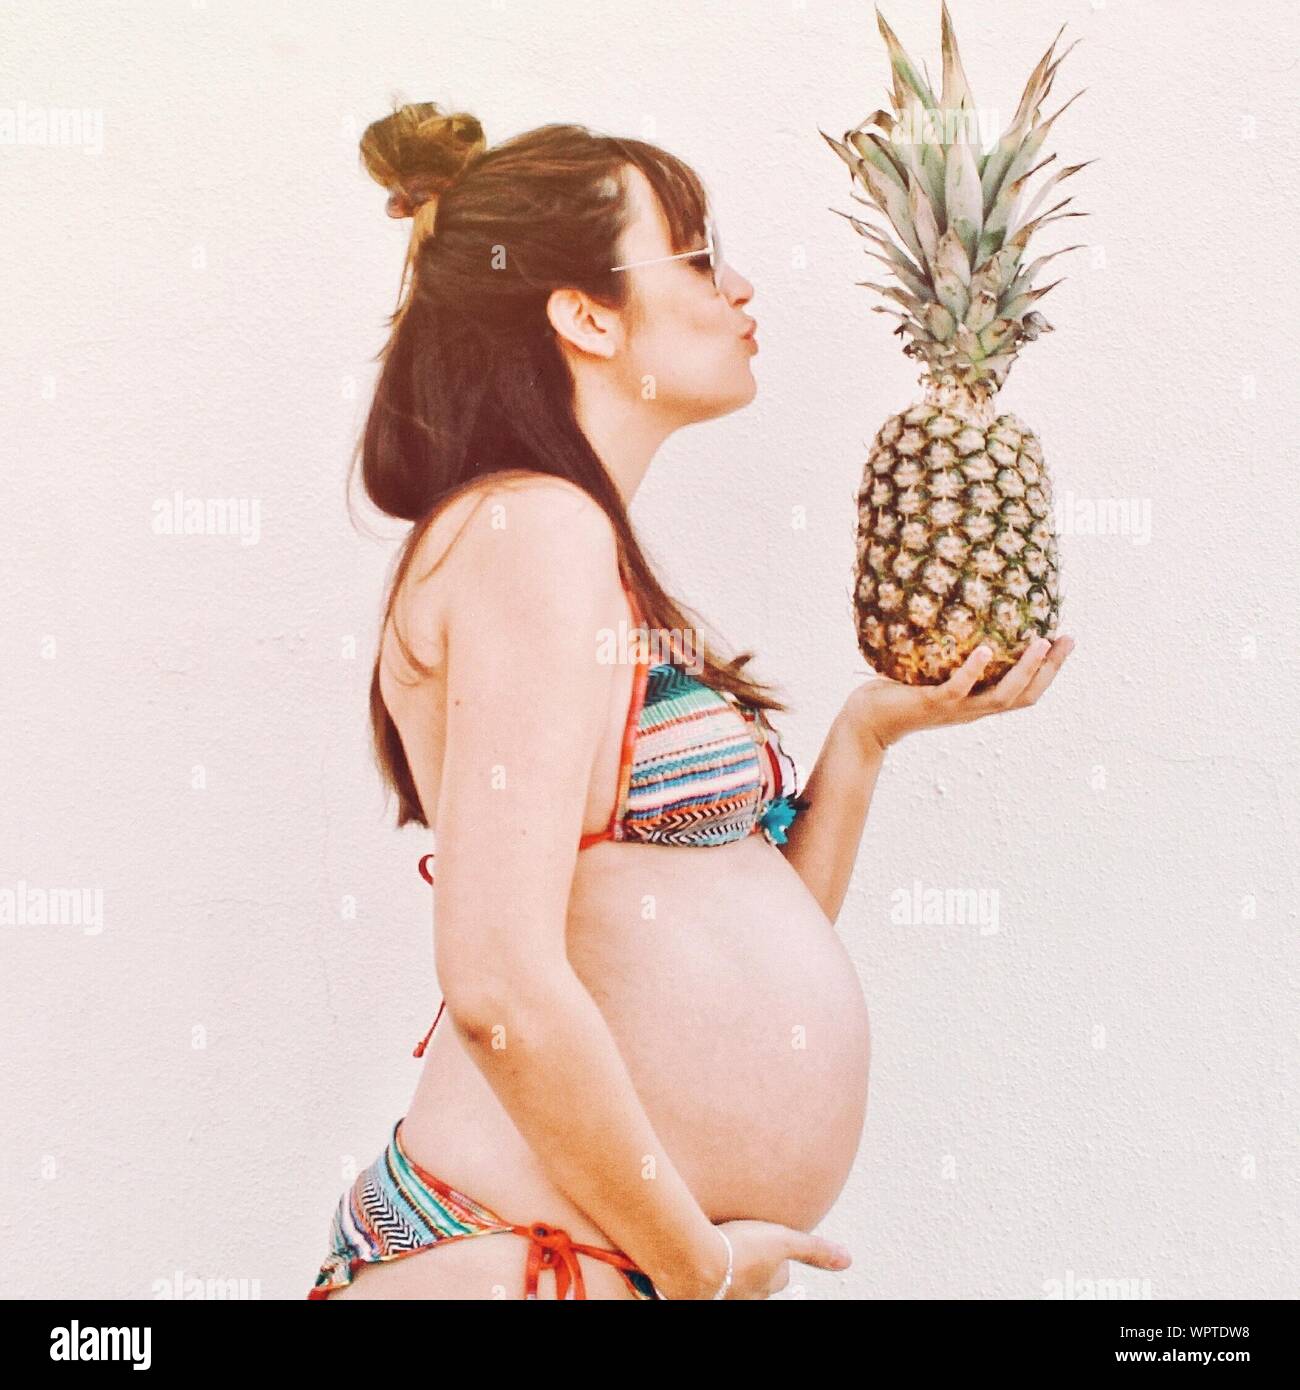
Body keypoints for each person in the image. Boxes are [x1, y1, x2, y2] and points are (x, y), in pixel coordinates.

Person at [308, 102, 1074, 1301]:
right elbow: (498, 978)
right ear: (584, 312)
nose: (741, 287)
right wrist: (697, 1262)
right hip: (522, 1260)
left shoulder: (575, 541)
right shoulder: (530, 530)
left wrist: (864, 738)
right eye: (699, 255)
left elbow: (702, 926)